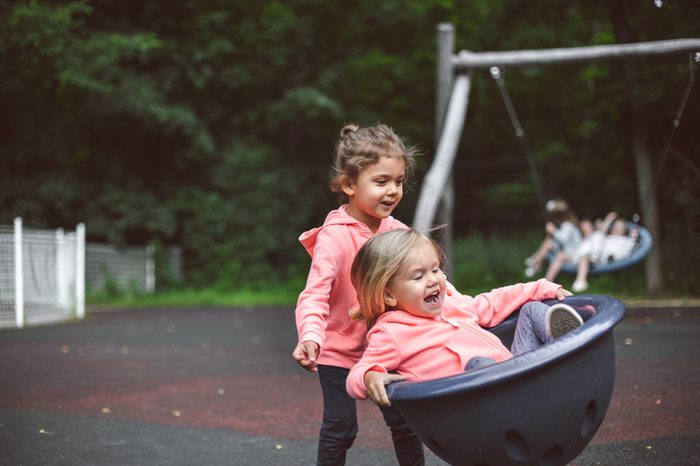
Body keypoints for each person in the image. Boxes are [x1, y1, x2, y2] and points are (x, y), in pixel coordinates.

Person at [292, 124, 425, 465]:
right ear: (350, 185)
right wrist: (310, 335)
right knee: (341, 428)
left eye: (399, 181)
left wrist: (471, 312)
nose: (393, 191)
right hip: (337, 351)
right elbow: (315, 294)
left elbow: (429, 283)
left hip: (387, 347)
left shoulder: (399, 234)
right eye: (381, 181)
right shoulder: (334, 237)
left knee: (406, 423)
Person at [346, 228, 582, 406]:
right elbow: (356, 374)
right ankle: (542, 379)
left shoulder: (453, 304)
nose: (432, 280)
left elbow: (493, 301)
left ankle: (570, 348)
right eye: (417, 277)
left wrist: (541, 287)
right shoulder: (392, 333)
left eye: (435, 269)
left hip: (517, 373)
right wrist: (370, 376)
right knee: (477, 364)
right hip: (478, 404)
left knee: (532, 310)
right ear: (389, 295)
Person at [570, 212, 639, 292]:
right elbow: (601, 233)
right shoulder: (606, 237)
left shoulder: (626, 240)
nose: (618, 228)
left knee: (599, 237)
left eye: (620, 227)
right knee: (598, 236)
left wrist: (633, 238)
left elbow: (630, 245)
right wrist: (608, 219)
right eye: (616, 226)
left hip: (612, 257)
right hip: (598, 257)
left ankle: (594, 260)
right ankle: (581, 282)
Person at [524, 199, 583, 280]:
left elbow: (563, 239)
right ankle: (536, 263)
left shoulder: (568, 225)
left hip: (575, 254)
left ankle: (544, 275)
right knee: (549, 241)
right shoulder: (566, 224)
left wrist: (553, 231)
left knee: (556, 251)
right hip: (569, 251)